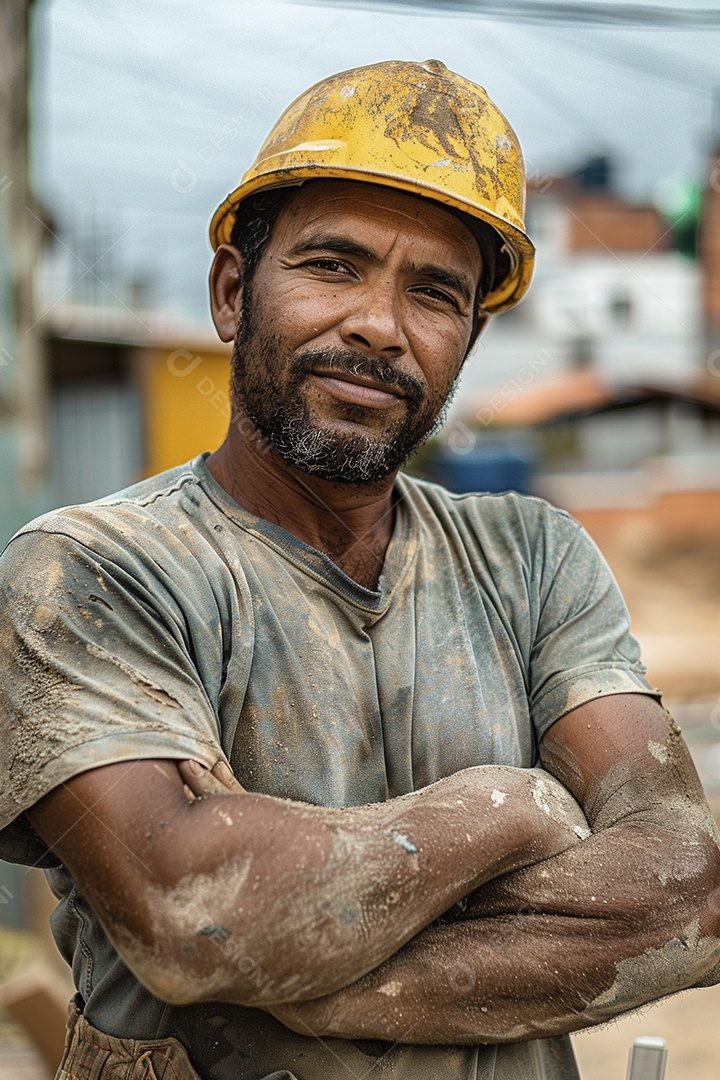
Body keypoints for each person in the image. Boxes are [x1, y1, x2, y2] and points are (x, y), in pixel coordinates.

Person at [1, 58, 719, 1080]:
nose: (379, 325)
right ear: (232, 293)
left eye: (434, 293)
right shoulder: (93, 574)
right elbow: (192, 920)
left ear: (470, 337)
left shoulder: (533, 558)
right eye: (333, 266)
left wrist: (312, 975)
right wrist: (513, 807)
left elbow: (688, 885)